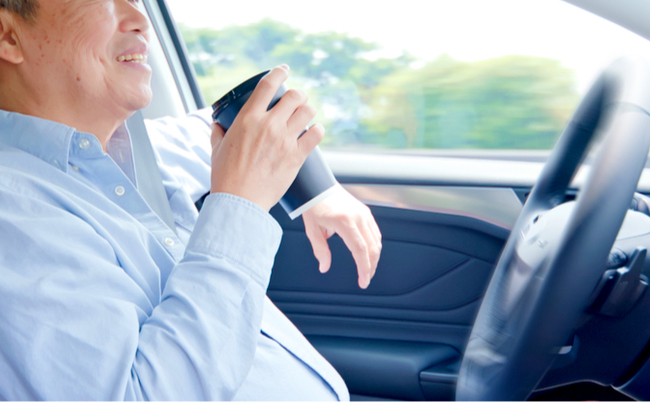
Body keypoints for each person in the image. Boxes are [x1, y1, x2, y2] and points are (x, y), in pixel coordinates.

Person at [0, 0, 382, 399]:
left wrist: (318, 191)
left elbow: (228, 129)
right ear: (8, 35)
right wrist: (239, 205)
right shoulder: (15, 218)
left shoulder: (136, 149)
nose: (141, 19)